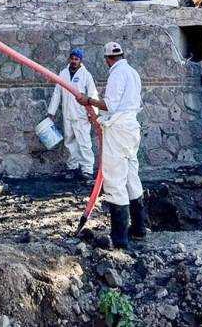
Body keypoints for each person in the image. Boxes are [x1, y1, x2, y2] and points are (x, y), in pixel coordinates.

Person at [76, 42, 147, 249]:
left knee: (115, 179)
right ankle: (139, 228)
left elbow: (110, 105)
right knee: (131, 176)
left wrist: (87, 100)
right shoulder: (133, 72)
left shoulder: (116, 74)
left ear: (107, 59)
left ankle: (119, 238)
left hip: (118, 130)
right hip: (132, 128)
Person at [46, 49, 98, 182]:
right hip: (67, 114)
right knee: (69, 143)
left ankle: (87, 170)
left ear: (80, 60)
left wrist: (93, 113)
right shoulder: (63, 73)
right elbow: (57, 93)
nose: (74, 61)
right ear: (69, 59)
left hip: (81, 115)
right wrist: (51, 112)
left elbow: (92, 93)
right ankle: (72, 168)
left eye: (76, 59)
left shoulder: (86, 75)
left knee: (84, 143)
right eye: (72, 58)